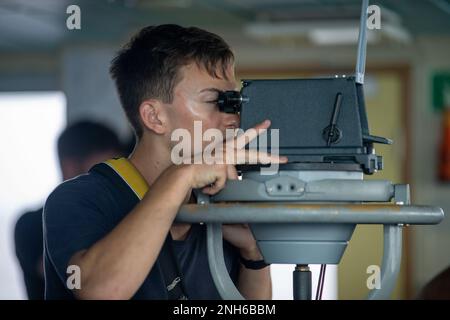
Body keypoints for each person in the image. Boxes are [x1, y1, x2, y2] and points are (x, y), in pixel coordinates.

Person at [43, 24, 287, 300]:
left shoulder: (217, 208)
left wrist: (252, 256)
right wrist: (182, 175)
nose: (233, 119)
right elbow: (99, 291)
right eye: (213, 101)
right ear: (154, 117)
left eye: (232, 102)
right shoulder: (79, 199)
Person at [14, 120, 123, 299]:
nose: (112, 180)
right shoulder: (31, 225)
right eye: (103, 172)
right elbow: (73, 277)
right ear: (70, 167)